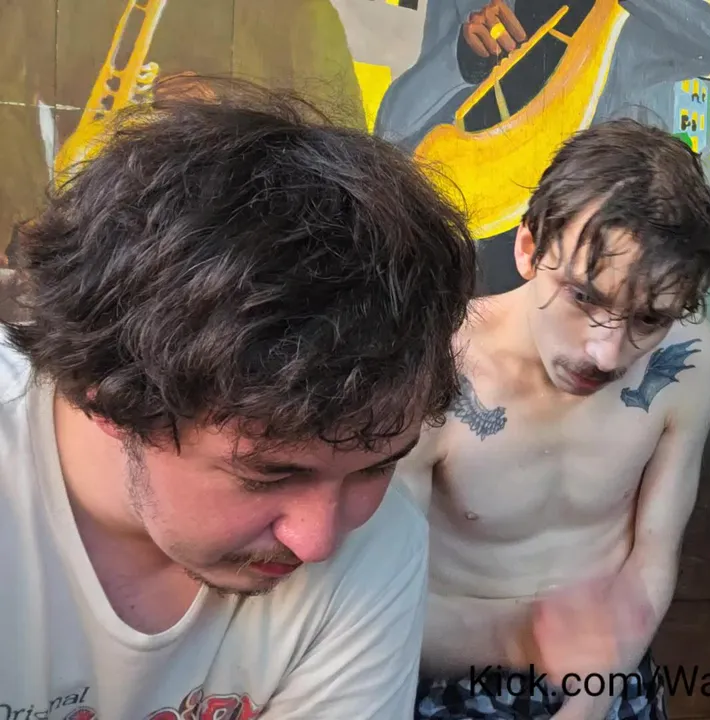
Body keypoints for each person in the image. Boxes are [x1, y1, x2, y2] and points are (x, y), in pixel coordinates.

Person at [0, 76, 477, 717]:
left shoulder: (381, 543)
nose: (318, 542)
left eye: (376, 467)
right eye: (269, 473)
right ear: (108, 397)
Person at [399, 118, 710, 720]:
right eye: (584, 297)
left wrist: (592, 701)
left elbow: (652, 558)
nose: (605, 353)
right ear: (529, 249)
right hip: (447, 674)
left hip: (613, 668)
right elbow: (380, 604)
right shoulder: (433, 365)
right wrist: (524, 640)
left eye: (649, 320)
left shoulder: (691, 360)